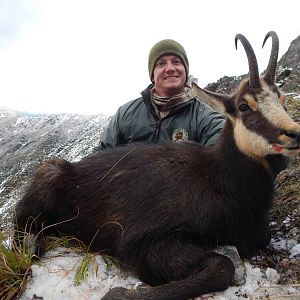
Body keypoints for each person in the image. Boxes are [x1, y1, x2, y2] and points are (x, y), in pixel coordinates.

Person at [94, 39, 225, 151]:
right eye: (161, 63)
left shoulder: (205, 117)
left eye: (176, 62)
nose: (170, 68)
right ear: (152, 75)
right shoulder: (126, 114)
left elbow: (221, 156)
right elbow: (100, 156)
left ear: (185, 70)